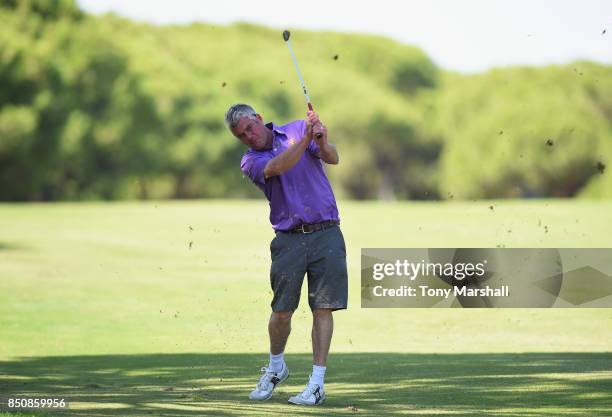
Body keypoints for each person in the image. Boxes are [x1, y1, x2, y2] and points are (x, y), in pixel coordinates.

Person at [224, 103, 348, 406]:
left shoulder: (295, 129)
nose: (249, 137)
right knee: (281, 311)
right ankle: (277, 366)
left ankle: (317, 384)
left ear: (259, 119)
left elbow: (332, 157)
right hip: (288, 239)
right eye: (241, 135)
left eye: (250, 128)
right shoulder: (250, 160)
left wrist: (320, 139)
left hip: (327, 232)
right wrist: (306, 140)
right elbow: (278, 167)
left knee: (323, 308)